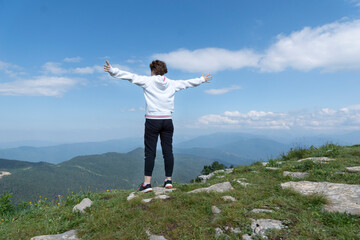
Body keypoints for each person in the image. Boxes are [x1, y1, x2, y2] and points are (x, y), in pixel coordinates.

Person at [104, 60, 212, 192]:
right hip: (167, 121)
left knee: (150, 153)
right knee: (168, 152)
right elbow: (187, 83)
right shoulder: (172, 83)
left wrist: (112, 70)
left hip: (152, 121)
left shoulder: (148, 81)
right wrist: (201, 79)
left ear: (153, 70)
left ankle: (147, 184)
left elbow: (130, 76)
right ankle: (168, 181)